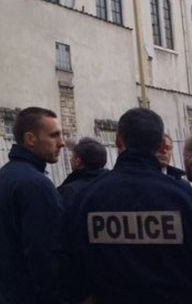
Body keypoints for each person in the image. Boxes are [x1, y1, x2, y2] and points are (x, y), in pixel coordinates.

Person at [65, 108, 192, 303]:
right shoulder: (182, 197)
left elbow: (73, 263)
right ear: (159, 145)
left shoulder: (88, 197)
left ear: (118, 140)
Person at [0, 107, 65, 304]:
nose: (62, 143)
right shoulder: (35, 184)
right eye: (54, 135)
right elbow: (45, 255)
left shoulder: (5, 175)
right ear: (30, 139)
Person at [58, 137, 108, 209]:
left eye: (72, 156)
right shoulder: (113, 185)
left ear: (77, 161)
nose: (70, 159)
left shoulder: (69, 192)